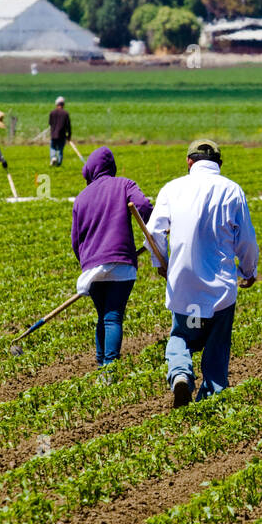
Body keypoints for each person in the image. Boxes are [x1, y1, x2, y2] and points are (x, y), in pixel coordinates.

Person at [144, 139, 259, 408]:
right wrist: (248, 269)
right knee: (217, 347)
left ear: (189, 162)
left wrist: (159, 262)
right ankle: (213, 399)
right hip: (220, 289)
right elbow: (247, 240)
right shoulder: (232, 190)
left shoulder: (173, 189)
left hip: (186, 287)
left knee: (182, 336)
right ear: (219, 163)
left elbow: (153, 232)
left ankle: (181, 373)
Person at [71, 147, 153, 376]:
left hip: (92, 267)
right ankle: (109, 368)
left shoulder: (81, 197)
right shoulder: (124, 184)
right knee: (113, 315)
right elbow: (144, 207)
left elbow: (75, 240)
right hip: (121, 263)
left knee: (103, 316)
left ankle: (101, 365)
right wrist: (158, 226)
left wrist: (87, 262)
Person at [49, 97, 72, 167]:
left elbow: (50, 123)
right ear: (63, 104)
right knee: (60, 149)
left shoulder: (52, 113)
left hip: (53, 134)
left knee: (53, 147)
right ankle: (58, 163)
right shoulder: (65, 113)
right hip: (62, 135)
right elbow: (68, 126)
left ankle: (53, 157)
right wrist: (69, 135)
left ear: (56, 104)